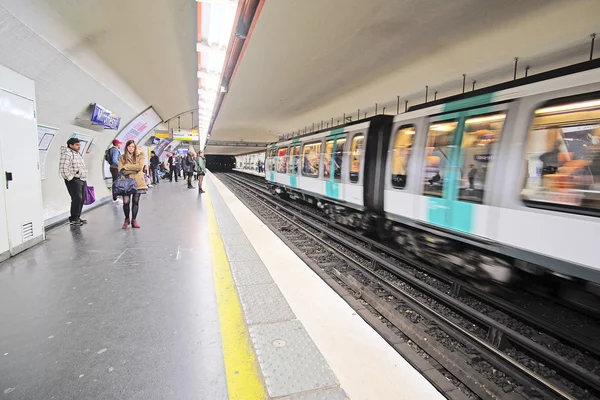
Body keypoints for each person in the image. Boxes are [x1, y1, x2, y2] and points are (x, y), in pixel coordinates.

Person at [118, 140, 147, 229]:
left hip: (138, 181)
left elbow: (139, 167)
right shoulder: (122, 157)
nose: (131, 148)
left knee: (135, 201)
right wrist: (131, 169)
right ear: (126, 147)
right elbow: (120, 170)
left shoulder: (140, 155)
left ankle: (134, 220)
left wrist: (126, 167)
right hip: (126, 182)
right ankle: (127, 219)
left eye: (133, 146)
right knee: (126, 202)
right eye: (129, 146)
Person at [59, 138, 88, 226]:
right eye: (76, 145)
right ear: (70, 145)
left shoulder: (77, 154)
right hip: (74, 180)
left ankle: (77, 217)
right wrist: (71, 178)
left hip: (81, 179)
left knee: (82, 199)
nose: (79, 147)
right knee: (77, 198)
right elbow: (63, 168)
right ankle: (73, 218)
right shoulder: (67, 154)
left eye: (79, 145)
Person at [106, 139, 122, 204]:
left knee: (115, 182)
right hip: (115, 168)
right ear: (116, 144)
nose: (120, 145)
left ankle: (116, 197)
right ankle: (115, 198)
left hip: (112, 168)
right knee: (116, 183)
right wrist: (121, 165)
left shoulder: (111, 149)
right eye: (119, 143)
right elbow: (115, 160)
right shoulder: (115, 150)